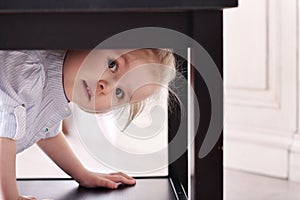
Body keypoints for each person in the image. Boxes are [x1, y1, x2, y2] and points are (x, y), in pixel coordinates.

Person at [0, 48, 176, 200]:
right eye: (112, 64)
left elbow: (47, 133)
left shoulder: (54, 95)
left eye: (120, 93)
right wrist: (11, 196)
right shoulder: (28, 69)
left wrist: (82, 174)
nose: (105, 87)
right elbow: (3, 135)